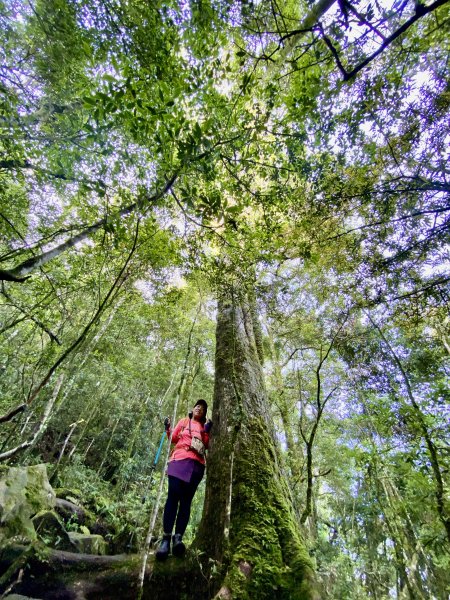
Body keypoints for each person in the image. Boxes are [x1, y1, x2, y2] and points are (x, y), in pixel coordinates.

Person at [155, 399, 213, 560]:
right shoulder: (184, 421)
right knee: (173, 497)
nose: (199, 408)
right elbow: (173, 438)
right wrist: (168, 428)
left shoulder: (204, 427)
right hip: (179, 459)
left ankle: (178, 538)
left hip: (196, 465)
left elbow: (207, 445)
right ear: (193, 409)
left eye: (202, 408)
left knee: (186, 502)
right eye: (197, 406)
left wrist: (206, 431)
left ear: (204, 414)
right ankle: (165, 540)